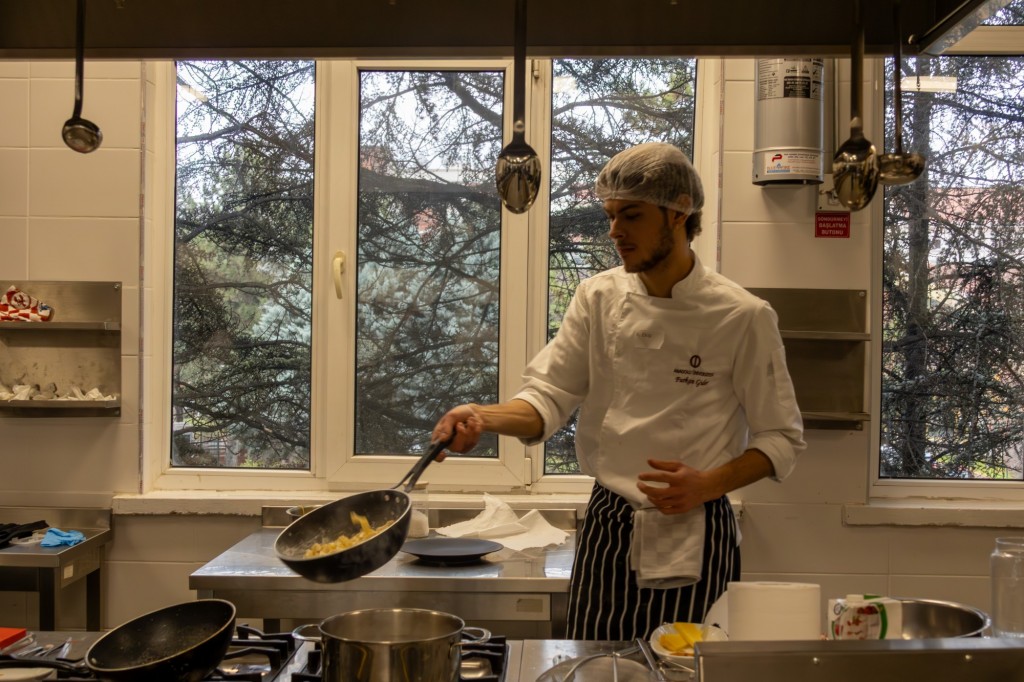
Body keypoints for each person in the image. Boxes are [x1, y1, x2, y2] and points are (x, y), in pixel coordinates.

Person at [431, 141, 805, 641]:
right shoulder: (598, 297)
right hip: (608, 522)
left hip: (695, 524)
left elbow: (781, 438)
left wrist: (709, 484)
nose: (614, 231)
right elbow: (549, 396)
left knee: (684, 668)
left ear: (679, 213)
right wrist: (482, 416)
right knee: (590, 663)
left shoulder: (742, 316)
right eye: (610, 216)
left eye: (631, 215)